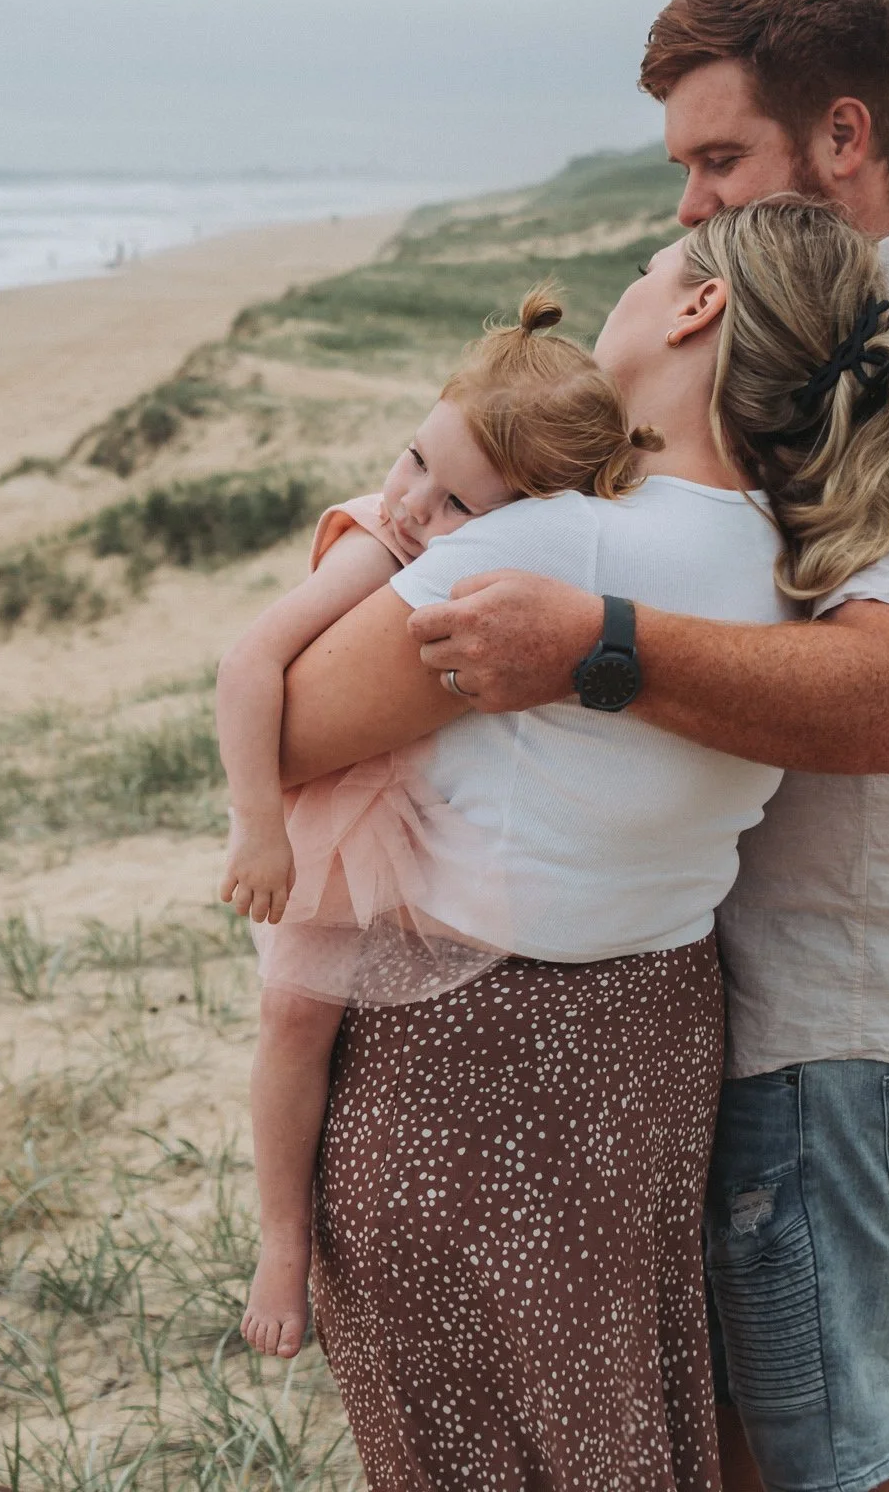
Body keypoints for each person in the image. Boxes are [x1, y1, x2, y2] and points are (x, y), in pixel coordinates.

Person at [278, 0, 889, 1492]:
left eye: (719, 162)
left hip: (838, 1005)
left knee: (831, 1454)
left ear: (843, 138)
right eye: (681, 172)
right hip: (735, 994)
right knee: (747, 1449)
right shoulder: (815, 362)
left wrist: (592, 643)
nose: (689, 210)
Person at [218, 288, 664, 1360]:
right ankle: (282, 1238)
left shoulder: (528, 550)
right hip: (333, 813)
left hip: (422, 804)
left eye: (457, 499)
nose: (414, 499)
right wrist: (257, 825)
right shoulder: (383, 542)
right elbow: (247, 661)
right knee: (296, 1016)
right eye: (415, 455)